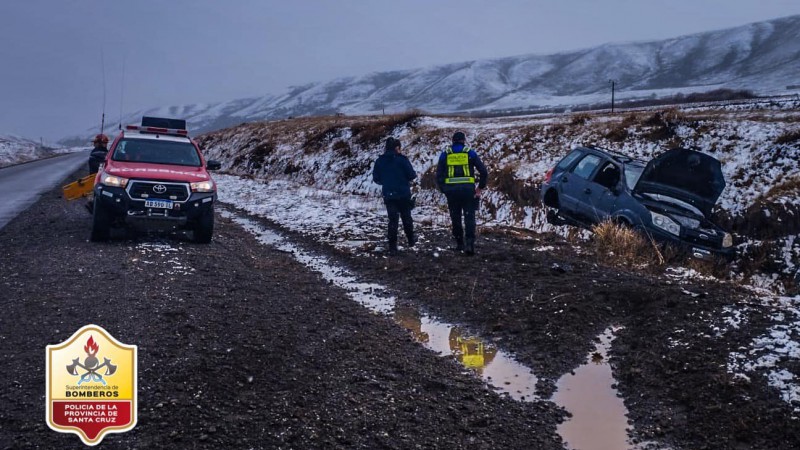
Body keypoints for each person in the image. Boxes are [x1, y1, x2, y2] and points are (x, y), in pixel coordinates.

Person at [436, 131, 488, 255]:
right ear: (463, 140)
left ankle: (459, 243)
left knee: (455, 217)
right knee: (469, 218)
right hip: (468, 191)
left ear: (452, 141)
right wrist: (480, 188)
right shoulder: (469, 152)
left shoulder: (445, 154)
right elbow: (483, 172)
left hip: (452, 192)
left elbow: (438, 175)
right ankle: (469, 244)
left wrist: (444, 189)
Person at [372, 137, 417, 255]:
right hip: (403, 194)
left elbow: (376, 178)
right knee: (406, 217)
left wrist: (386, 182)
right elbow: (412, 175)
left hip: (389, 194)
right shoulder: (402, 160)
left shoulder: (380, 161)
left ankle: (392, 246)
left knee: (393, 220)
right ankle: (411, 240)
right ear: (397, 148)